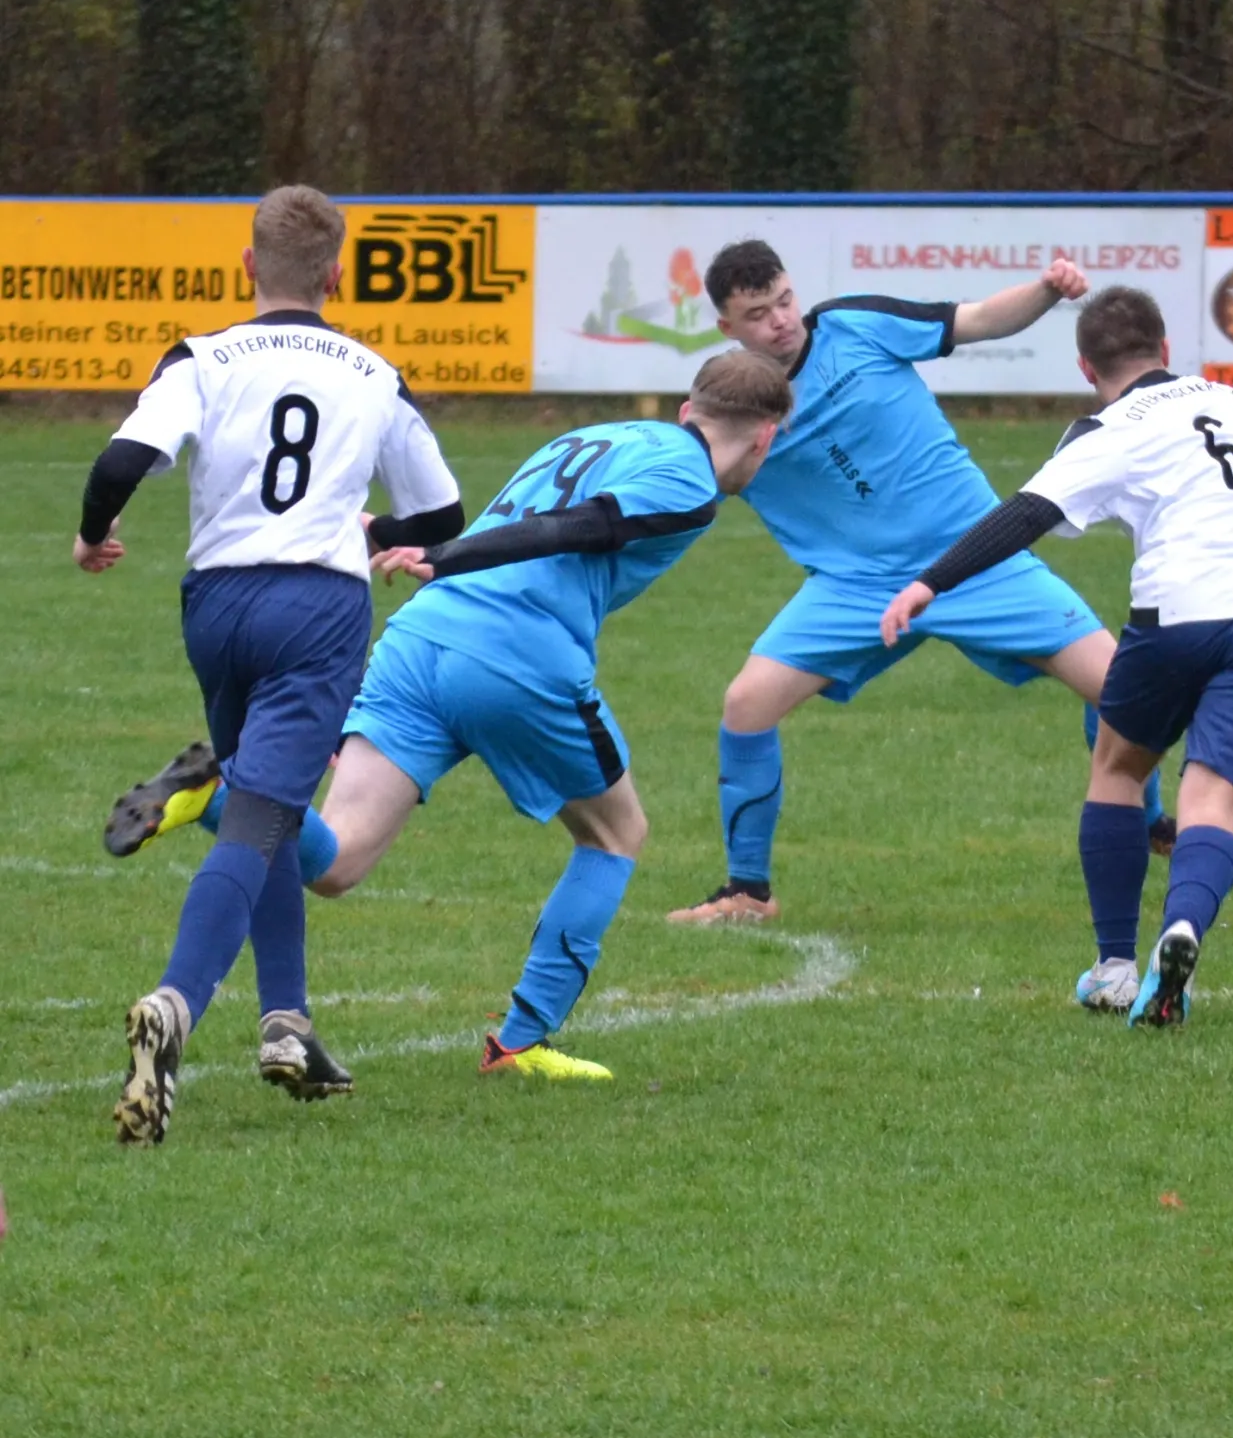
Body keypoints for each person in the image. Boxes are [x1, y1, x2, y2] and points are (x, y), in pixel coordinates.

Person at [108, 350, 792, 1084]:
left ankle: (216, 792)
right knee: (617, 833)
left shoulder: (602, 434)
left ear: (688, 409)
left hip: (421, 639)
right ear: (765, 438)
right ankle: (520, 1043)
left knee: (336, 862)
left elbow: (545, 511)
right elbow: (578, 526)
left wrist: (417, 546)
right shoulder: (691, 480)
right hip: (518, 657)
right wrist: (451, 552)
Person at [76, 185, 465, 1146]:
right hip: (317, 613)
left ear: (248, 265)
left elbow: (121, 461)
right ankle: (175, 1003)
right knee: (257, 816)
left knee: (272, 804)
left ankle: (287, 1022)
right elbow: (444, 514)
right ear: (337, 274)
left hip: (216, 606)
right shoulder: (374, 373)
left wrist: (93, 532)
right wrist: (372, 527)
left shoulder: (202, 356)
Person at [666, 240, 1172, 927]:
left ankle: (1149, 821)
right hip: (855, 587)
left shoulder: (854, 324)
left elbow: (978, 320)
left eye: (784, 301)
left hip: (975, 557)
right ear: (727, 327)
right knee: (746, 703)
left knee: (1122, 686)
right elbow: (693, 478)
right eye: (758, 315)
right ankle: (747, 892)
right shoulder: (735, 403)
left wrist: (1047, 290)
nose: (781, 321)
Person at [880, 287, 1233, 1024]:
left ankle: (1116, 967)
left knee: (1120, 767)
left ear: (1085, 367)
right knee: (1212, 802)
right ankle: (1183, 927)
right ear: (1166, 349)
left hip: (1179, 611)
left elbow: (1025, 515)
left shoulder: (1106, 431)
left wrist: (928, 582)